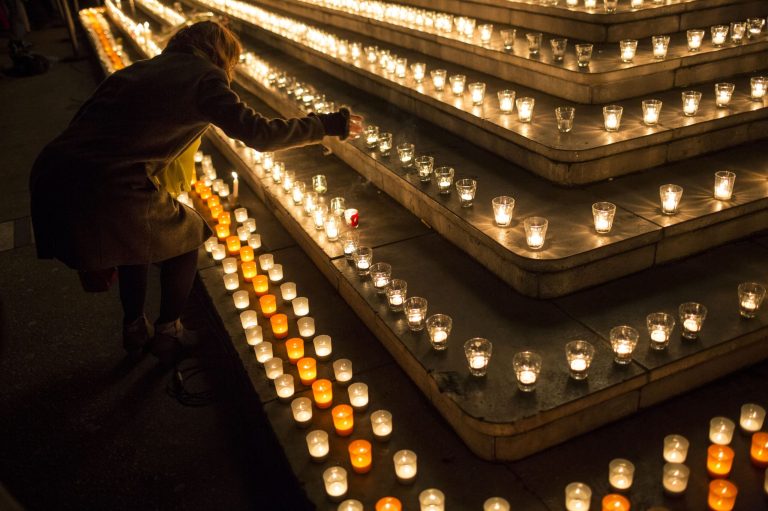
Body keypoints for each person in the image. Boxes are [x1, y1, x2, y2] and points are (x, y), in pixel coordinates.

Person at [29, 20, 363, 364]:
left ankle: (134, 328)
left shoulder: (139, 70)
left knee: (137, 240)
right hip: (108, 184)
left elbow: (86, 121)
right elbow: (260, 135)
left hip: (55, 171)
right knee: (186, 236)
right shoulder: (205, 78)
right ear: (221, 55)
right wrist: (328, 124)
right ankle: (168, 332)